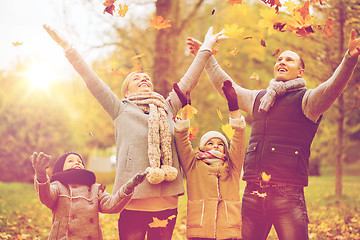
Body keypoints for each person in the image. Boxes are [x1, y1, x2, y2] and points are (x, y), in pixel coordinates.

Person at [43, 24, 226, 240]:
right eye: (136, 79)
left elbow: (189, 81)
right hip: (132, 202)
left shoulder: (167, 107)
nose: (144, 79)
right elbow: (92, 80)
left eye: (146, 78)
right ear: (126, 91)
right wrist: (68, 47)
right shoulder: (120, 109)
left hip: (166, 202)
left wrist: (206, 47)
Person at [187, 29, 360, 240]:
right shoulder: (258, 98)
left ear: (300, 72)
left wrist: (349, 59)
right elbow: (227, 88)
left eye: (289, 59)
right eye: (279, 59)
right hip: (252, 192)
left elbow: (331, 88)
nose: (282, 62)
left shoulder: (308, 101)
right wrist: (205, 56)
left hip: (288, 195)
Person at [173, 81, 246, 240]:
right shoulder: (193, 165)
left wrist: (234, 109)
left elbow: (239, 141)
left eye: (220, 144)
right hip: (200, 229)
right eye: (210, 143)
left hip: (228, 229)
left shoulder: (232, 166)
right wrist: (186, 111)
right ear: (202, 147)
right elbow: (182, 141)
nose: (216, 146)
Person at [30, 151, 147, 240]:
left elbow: (112, 205)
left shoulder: (95, 188)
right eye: (70, 161)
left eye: (80, 161)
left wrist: (129, 187)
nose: (77, 162)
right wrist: (41, 174)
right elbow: (46, 197)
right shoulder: (58, 186)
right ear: (61, 168)